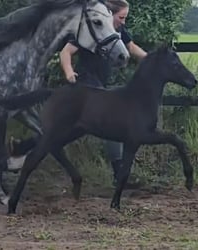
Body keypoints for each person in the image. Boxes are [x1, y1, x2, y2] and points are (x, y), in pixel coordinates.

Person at [59, 0, 147, 185]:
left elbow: (130, 47)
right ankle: (120, 175)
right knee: (114, 123)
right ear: (110, 14)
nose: (123, 21)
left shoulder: (118, 30)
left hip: (100, 84)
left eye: (125, 18)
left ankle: (25, 148)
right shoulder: (91, 30)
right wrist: (69, 72)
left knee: (66, 130)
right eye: (121, 17)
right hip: (86, 84)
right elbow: (66, 52)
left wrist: (150, 59)